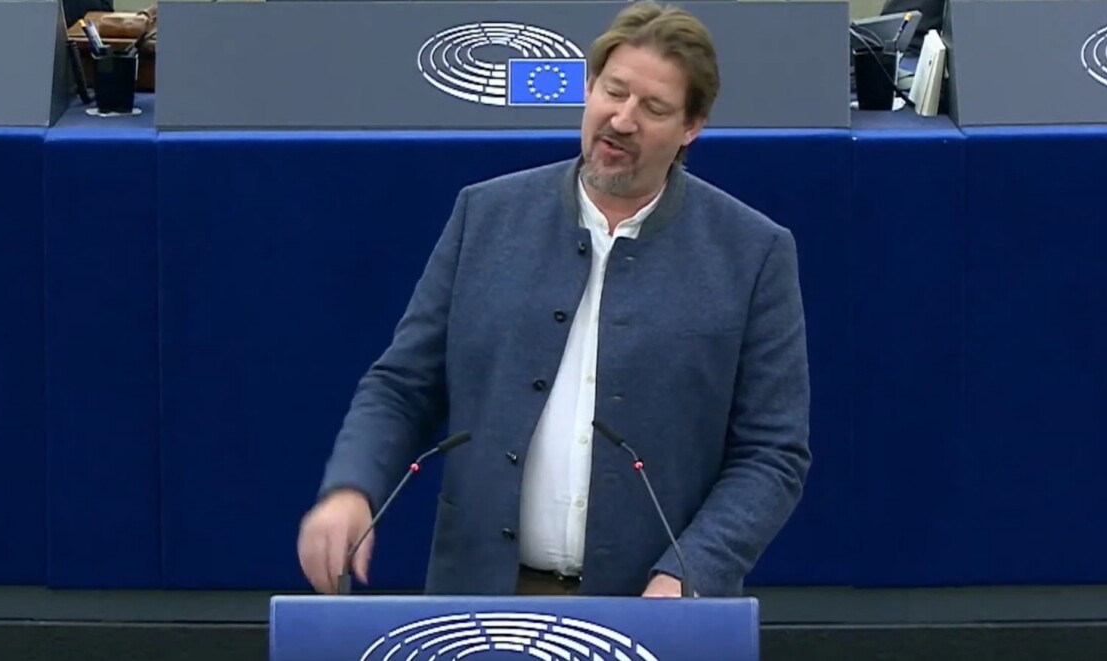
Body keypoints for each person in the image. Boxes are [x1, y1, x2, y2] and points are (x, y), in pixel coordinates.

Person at [297, 0, 811, 598]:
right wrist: (351, 487)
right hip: (484, 600)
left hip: (654, 611)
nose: (622, 119)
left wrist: (690, 570)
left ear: (691, 127)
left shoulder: (752, 253)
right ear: (589, 88)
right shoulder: (486, 216)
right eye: (613, 92)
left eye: (653, 108)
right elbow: (404, 385)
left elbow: (772, 454)